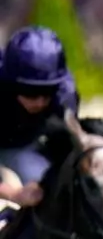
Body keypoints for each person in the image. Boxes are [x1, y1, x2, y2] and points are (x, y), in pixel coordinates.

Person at [0, 26, 80, 206]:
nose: (40, 102)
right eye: (30, 92)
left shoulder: (65, 96)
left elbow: (64, 152)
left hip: (22, 145)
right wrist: (13, 194)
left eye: (47, 92)